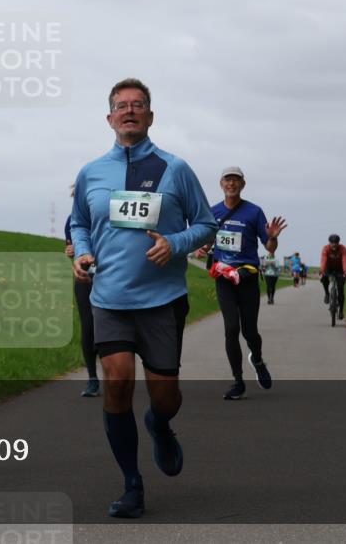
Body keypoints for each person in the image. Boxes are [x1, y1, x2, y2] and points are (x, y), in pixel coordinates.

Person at [70, 78, 217, 519]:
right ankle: (132, 484)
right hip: (109, 298)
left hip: (162, 299)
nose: (129, 111)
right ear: (109, 118)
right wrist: (82, 252)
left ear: (150, 117)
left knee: (165, 397)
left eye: (138, 106)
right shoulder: (91, 172)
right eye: (121, 106)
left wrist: (175, 243)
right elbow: (78, 223)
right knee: (116, 382)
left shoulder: (176, 169)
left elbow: (206, 224)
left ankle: (160, 424)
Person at [196, 167, 286, 401]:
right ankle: (237, 381)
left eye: (236, 180)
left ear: (243, 185)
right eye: (228, 180)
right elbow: (207, 241)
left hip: (247, 277)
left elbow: (270, 248)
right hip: (224, 278)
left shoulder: (254, 212)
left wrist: (273, 237)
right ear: (221, 183)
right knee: (231, 329)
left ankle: (256, 358)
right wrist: (202, 248)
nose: (232, 184)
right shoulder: (213, 212)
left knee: (249, 331)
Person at [65, 198, 98, 397]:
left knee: (107, 327)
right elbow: (71, 248)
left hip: (110, 278)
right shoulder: (72, 220)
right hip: (84, 279)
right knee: (88, 327)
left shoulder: (109, 214)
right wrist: (70, 251)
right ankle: (92, 378)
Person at [320, 234, 346, 319]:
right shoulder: (326, 249)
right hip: (328, 268)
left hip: (340, 269)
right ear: (329, 243)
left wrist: (345, 272)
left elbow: (345, 261)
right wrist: (322, 271)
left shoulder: (343, 249)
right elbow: (323, 260)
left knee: (340, 289)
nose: (334, 244)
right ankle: (327, 293)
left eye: (336, 243)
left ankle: (341, 311)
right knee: (324, 278)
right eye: (332, 243)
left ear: (338, 243)